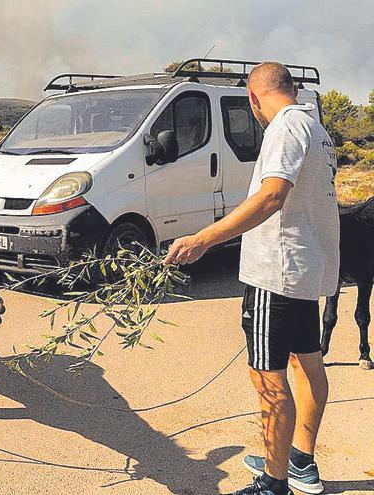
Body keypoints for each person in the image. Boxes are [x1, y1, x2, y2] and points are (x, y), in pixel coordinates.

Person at [164, 62, 339, 495]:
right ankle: (297, 461)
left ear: (253, 98)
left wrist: (203, 238)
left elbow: (272, 195)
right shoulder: (315, 128)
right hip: (301, 270)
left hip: (273, 274)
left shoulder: (283, 128)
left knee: (268, 378)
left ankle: (273, 483)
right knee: (307, 364)